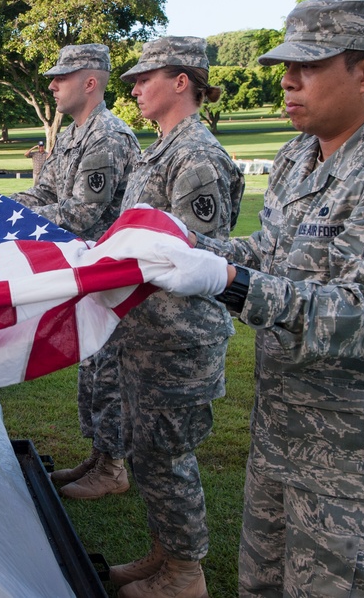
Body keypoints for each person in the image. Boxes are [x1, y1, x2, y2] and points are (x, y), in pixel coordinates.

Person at [193, 0, 364, 597]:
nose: (287, 82)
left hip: (352, 462)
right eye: (286, 67)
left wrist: (230, 285)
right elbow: (269, 250)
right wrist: (191, 250)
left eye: (309, 66)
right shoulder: (299, 155)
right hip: (279, 433)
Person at [108, 36, 244, 598]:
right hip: (149, 330)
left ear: (181, 81)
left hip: (180, 336)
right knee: (147, 452)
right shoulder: (159, 149)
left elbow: (198, 256)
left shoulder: (197, 158)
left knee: (167, 456)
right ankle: (165, 554)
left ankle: (185, 575)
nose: (135, 88)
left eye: (146, 77)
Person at [11, 44, 139, 500]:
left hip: (109, 274)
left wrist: (21, 225)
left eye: (61, 77)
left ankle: (113, 466)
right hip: (81, 273)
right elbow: (43, 192)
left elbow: (83, 213)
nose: (52, 85)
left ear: (90, 83)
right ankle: (99, 455)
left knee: (109, 368)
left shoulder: (108, 137)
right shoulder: (70, 135)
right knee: (93, 366)